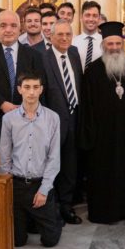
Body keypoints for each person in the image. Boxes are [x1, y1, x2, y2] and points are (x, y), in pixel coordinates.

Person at [78, 21, 125, 223]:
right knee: (105, 175)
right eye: (110, 44)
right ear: (103, 45)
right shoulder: (92, 71)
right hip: (103, 137)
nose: (114, 48)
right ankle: (106, 212)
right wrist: (91, 136)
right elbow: (87, 108)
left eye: (117, 43)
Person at [0, 72, 63, 248]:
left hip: (40, 183)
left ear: (41, 89)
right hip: (17, 184)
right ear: (19, 90)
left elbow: (54, 157)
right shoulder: (8, 119)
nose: (31, 92)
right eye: (27, 87)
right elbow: (4, 157)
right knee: (17, 242)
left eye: (35, 87)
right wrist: (8, 187)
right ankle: (25, 221)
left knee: (50, 241)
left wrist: (44, 190)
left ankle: (52, 214)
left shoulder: (52, 118)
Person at [0, 9, 46, 132]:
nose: (8, 30)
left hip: (27, 120)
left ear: (20, 29)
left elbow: (39, 86)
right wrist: (2, 104)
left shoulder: (34, 55)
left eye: (13, 26)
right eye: (3, 25)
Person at [40, 20, 83, 224]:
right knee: (52, 166)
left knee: (70, 166)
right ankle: (52, 209)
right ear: (51, 36)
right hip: (52, 122)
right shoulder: (42, 58)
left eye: (68, 34)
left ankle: (66, 207)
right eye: (60, 35)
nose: (64, 38)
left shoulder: (74, 54)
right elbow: (42, 93)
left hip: (74, 119)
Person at [72, 0, 103, 70]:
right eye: (87, 15)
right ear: (81, 18)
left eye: (95, 16)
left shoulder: (105, 42)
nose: (91, 19)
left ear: (99, 19)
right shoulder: (73, 43)